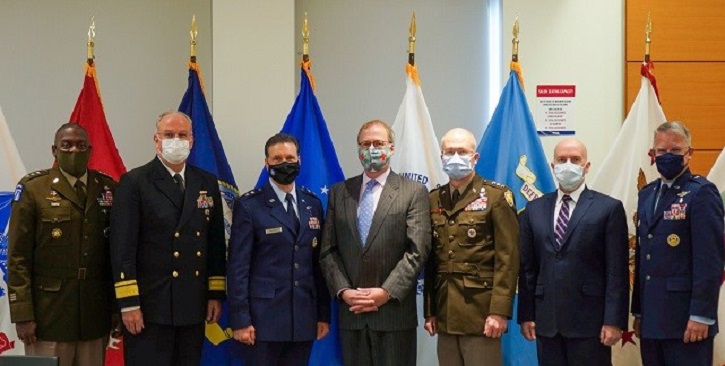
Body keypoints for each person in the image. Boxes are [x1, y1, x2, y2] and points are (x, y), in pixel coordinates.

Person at [110, 111, 226, 365]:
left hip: (192, 305)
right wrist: (129, 304)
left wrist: (215, 293)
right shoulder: (135, 182)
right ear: (156, 140)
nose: (176, 140)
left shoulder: (205, 181)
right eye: (169, 135)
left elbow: (215, 242)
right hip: (150, 308)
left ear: (192, 140)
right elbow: (123, 249)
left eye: (182, 135)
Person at [319, 119, 431, 366]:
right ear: (358, 149)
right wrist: (344, 291)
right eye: (365, 144)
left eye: (378, 143)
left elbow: (417, 250)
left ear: (391, 148)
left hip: (393, 316)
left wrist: (386, 292)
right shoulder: (340, 192)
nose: (371, 149)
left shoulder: (413, 192)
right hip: (352, 315)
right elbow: (328, 250)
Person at [7, 123, 118, 366]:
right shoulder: (34, 188)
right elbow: (17, 257)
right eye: (66, 145)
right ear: (54, 150)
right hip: (48, 317)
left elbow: (115, 256)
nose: (74, 150)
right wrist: (23, 314)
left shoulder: (108, 188)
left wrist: (115, 310)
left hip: (93, 315)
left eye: (81, 145)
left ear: (90, 150)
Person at [517, 138, 629, 366]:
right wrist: (526, 314)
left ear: (587, 166)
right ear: (552, 166)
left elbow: (616, 271)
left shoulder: (608, 208)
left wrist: (613, 320)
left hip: (591, 323)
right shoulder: (534, 209)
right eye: (562, 160)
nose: (568, 164)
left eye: (575, 159)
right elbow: (528, 268)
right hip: (547, 322)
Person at [227, 133, 330, 365]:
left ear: (299, 160)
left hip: (303, 319)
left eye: (290, 157)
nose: (284, 163)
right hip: (263, 322)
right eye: (277, 158)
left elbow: (318, 265)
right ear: (267, 163)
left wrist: (322, 314)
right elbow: (238, 268)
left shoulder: (312, 203)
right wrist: (241, 320)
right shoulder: (250, 205)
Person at [423, 128, 520, 366]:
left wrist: (499, 311)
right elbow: (431, 261)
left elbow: (508, 258)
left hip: (481, 313)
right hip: (445, 313)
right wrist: (430, 310)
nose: (455, 157)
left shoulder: (497, 196)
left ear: (475, 157)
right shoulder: (433, 199)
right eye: (450, 152)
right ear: (442, 156)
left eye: (462, 151)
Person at [632, 121, 724, 366]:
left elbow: (710, 259)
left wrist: (702, 315)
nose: (668, 156)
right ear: (653, 154)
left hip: (687, 321)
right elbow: (643, 256)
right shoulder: (647, 194)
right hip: (652, 319)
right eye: (662, 151)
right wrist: (639, 311)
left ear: (689, 153)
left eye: (675, 150)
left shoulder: (702, 193)